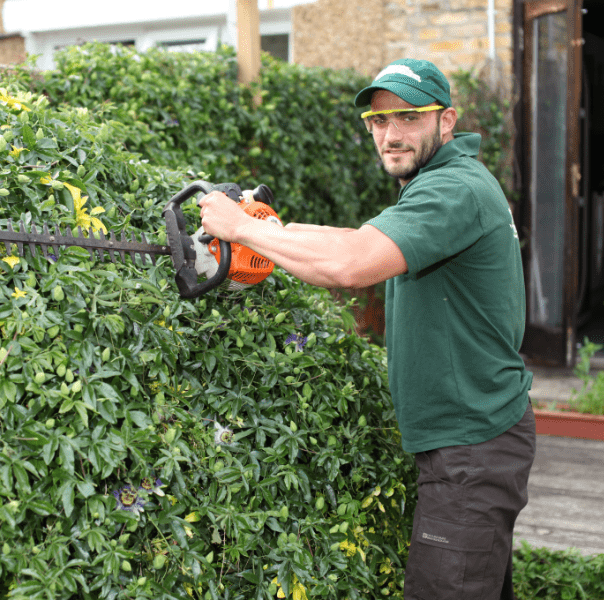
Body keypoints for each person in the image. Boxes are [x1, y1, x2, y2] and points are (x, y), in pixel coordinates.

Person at [198, 58, 536, 600]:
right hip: (476, 436)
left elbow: (351, 263)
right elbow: (355, 237)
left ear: (446, 121)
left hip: (471, 446)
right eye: (378, 122)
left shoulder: (452, 191)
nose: (391, 134)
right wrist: (272, 230)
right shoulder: (442, 182)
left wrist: (239, 227)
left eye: (408, 117)